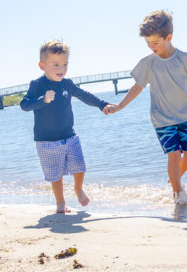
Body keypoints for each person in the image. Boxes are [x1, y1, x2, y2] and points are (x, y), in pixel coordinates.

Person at [108, 10, 187, 204]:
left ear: (169, 37)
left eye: (155, 43)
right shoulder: (147, 63)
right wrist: (120, 106)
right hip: (162, 119)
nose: (151, 47)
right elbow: (137, 87)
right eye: (147, 43)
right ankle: (177, 196)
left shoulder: (183, 58)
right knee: (173, 155)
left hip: (185, 116)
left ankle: (173, 179)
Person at [20, 40, 118, 213]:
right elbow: (24, 105)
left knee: (80, 166)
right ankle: (60, 202)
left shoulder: (67, 84)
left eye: (65, 64)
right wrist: (42, 100)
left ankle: (78, 188)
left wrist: (102, 104)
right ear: (42, 65)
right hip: (46, 141)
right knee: (55, 175)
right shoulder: (37, 85)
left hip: (69, 136)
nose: (61, 69)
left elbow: (84, 95)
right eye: (56, 64)